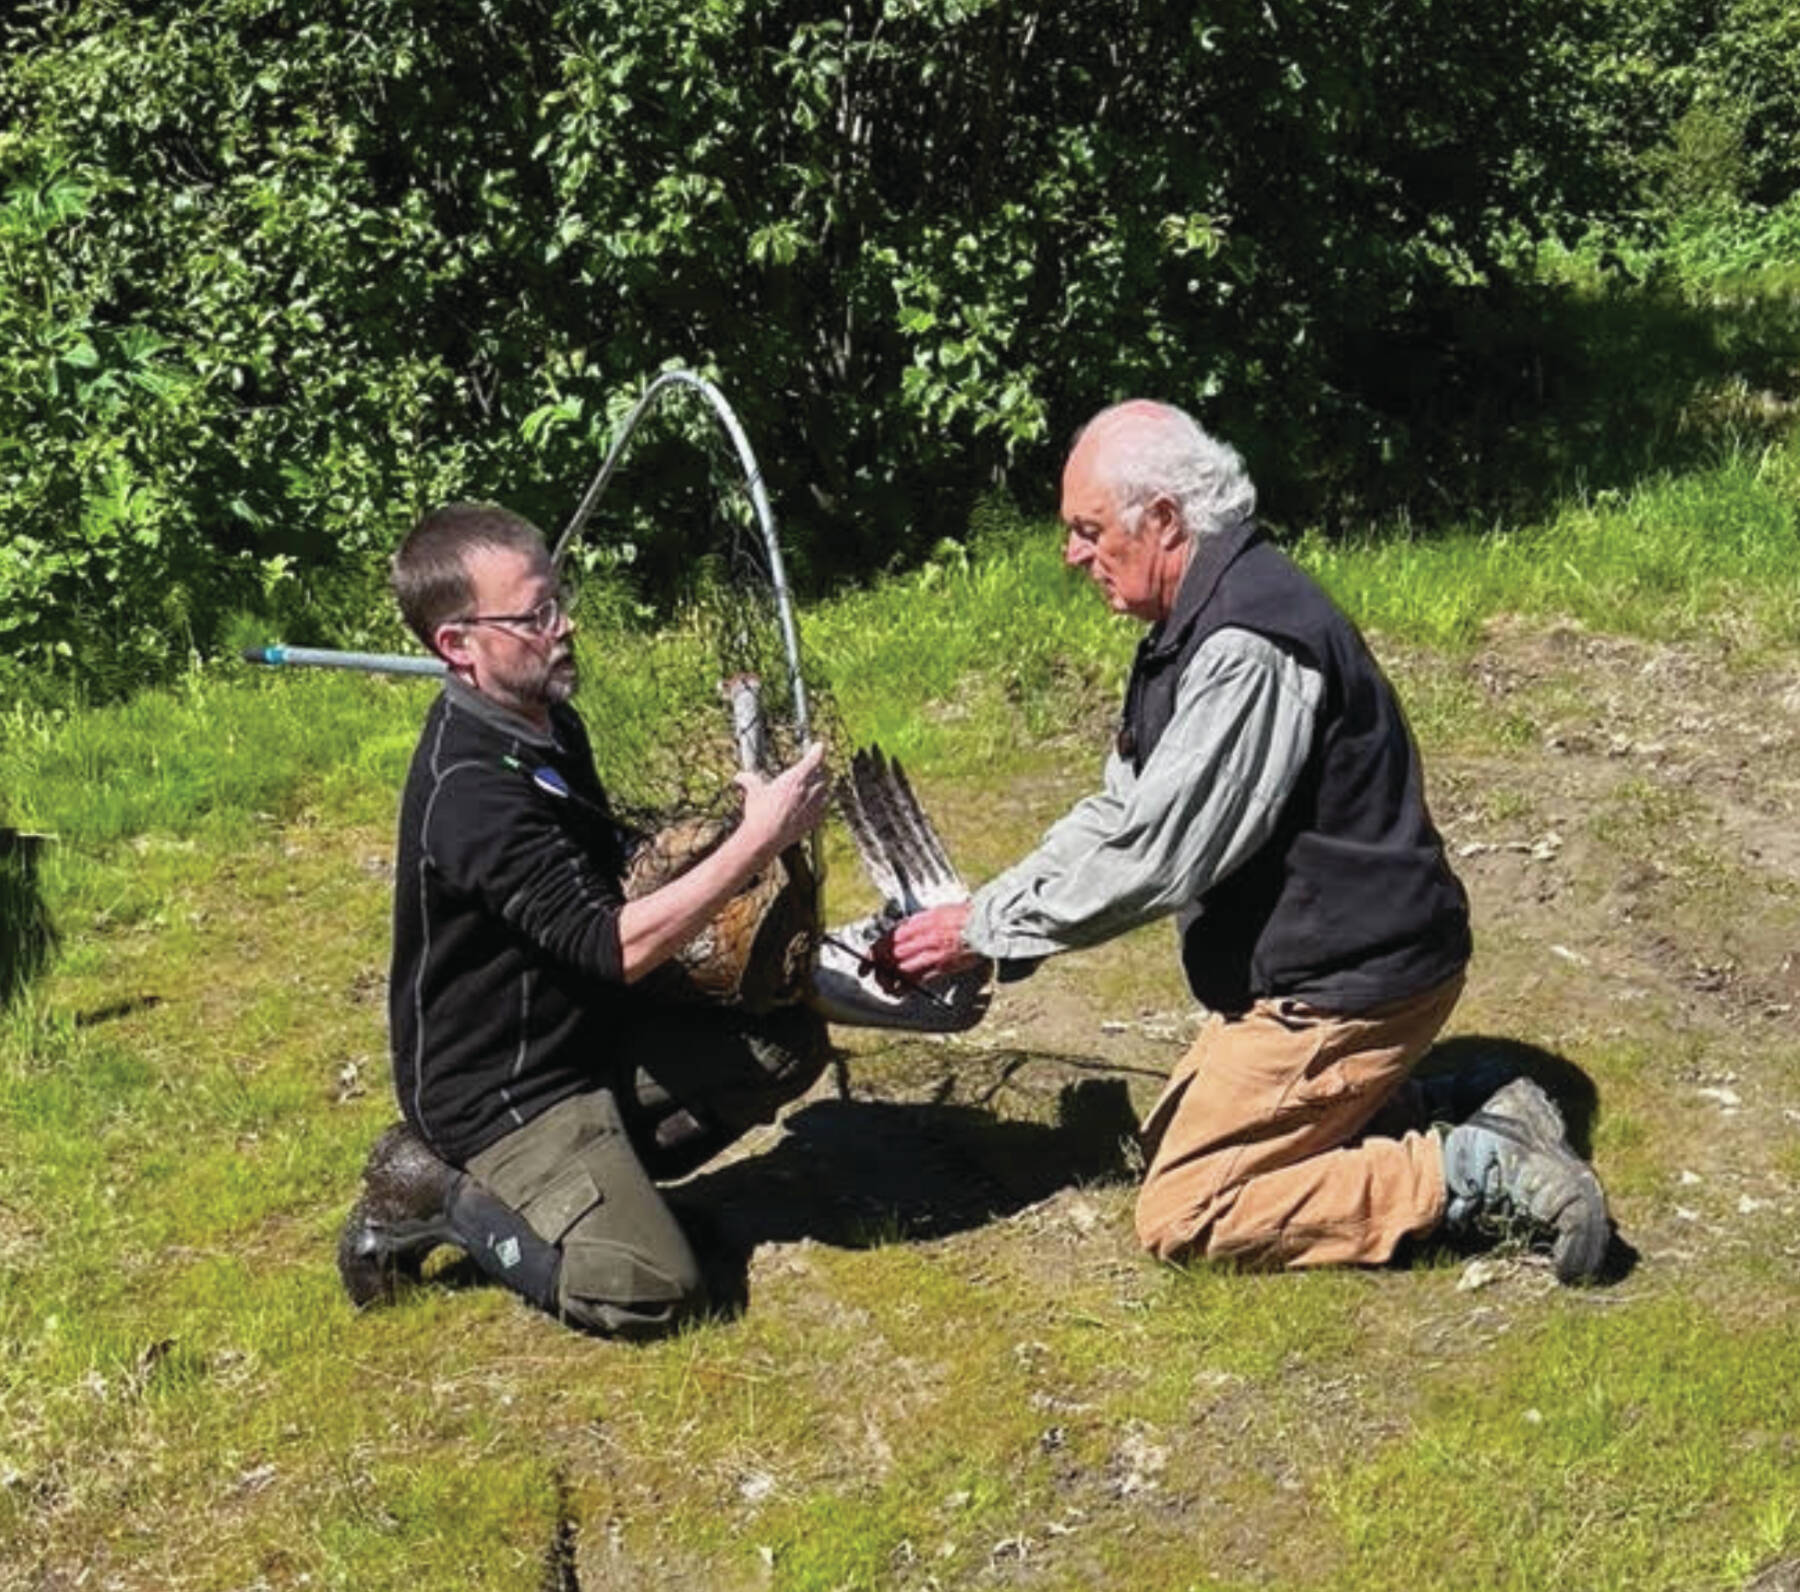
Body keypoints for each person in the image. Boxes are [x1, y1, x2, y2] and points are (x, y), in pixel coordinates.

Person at [886, 401, 1611, 1283]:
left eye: (1087, 530)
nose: (1072, 554)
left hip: (1351, 986)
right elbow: (1120, 814)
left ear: (1162, 519)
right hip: (1331, 972)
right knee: (1172, 1137)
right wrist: (988, 913)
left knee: (1190, 1209)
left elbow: (1157, 857)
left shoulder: (1245, 643)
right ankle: (1464, 1100)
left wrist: (984, 932)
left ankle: (1475, 1174)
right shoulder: (1190, 621)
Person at [337, 502, 833, 1335]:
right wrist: (754, 842)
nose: (561, 627)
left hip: (588, 1032)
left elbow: (605, 886)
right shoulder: (472, 792)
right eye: (533, 616)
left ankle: (591, 1195)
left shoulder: (547, 720)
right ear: (456, 646)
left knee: (783, 1045)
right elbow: (612, 946)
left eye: (557, 601)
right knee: (648, 1288)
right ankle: (446, 1196)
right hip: (505, 1089)